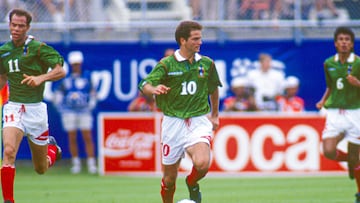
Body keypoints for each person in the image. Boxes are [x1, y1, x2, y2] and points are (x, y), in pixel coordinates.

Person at [138, 20, 222, 203]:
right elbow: (144, 84)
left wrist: (215, 114)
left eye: (200, 38)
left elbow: (214, 87)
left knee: (202, 164)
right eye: (195, 39)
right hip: (173, 124)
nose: (200, 42)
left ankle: (192, 183)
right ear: (183, 40)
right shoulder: (167, 64)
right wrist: (154, 89)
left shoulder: (207, 64)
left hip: (198, 120)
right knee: (169, 180)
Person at [0, 9, 65, 203]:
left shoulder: (38, 48)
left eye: (21, 26)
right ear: (9, 25)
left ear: (28, 27)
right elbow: (2, 77)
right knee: (9, 152)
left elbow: (60, 70)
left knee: (40, 168)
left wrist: (41, 78)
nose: (16, 29)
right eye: (14, 25)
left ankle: (52, 150)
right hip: (13, 107)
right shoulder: (3, 51)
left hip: (36, 111)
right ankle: (9, 200)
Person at [315, 26, 360, 203]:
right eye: (341, 39)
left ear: (351, 44)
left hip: (355, 113)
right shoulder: (329, 63)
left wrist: (357, 83)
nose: (344, 42)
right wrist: (322, 100)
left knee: (355, 155)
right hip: (335, 113)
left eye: (347, 40)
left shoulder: (358, 63)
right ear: (335, 43)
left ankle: (359, 193)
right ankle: (351, 160)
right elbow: (330, 86)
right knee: (328, 150)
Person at [53, 50, 97, 174]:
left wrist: (91, 105)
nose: (76, 66)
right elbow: (58, 94)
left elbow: (92, 93)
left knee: (87, 136)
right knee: (72, 137)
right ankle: (76, 163)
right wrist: (61, 108)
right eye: (74, 64)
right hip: (69, 111)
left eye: (78, 64)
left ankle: (91, 163)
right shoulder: (66, 79)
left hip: (84, 111)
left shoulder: (88, 77)